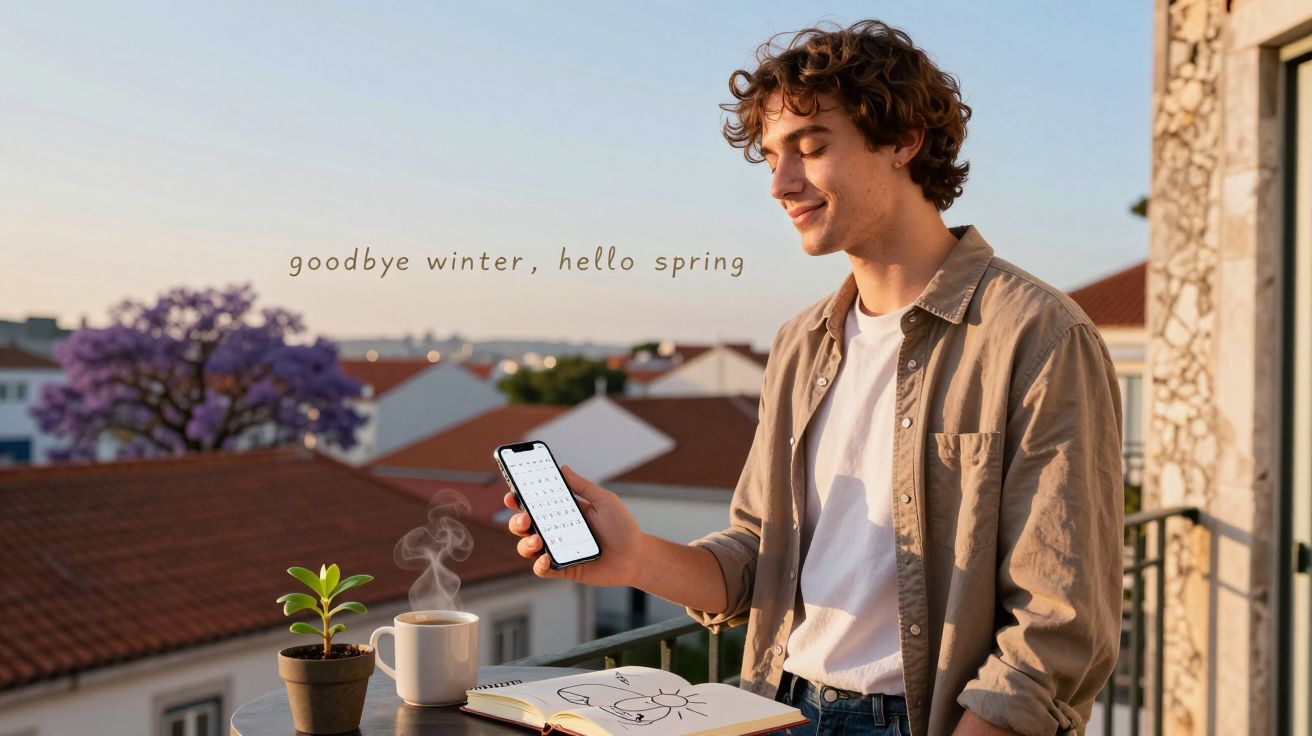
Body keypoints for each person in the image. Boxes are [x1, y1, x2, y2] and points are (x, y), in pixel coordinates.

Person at [502, 19, 1124, 736]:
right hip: (777, 707)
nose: (780, 184)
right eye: (771, 157)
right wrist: (635, 554)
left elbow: (1059, 623)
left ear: (904, 140)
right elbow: (759, 560)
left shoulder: (1036, 335)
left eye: (811, 148)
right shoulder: (801, 345)